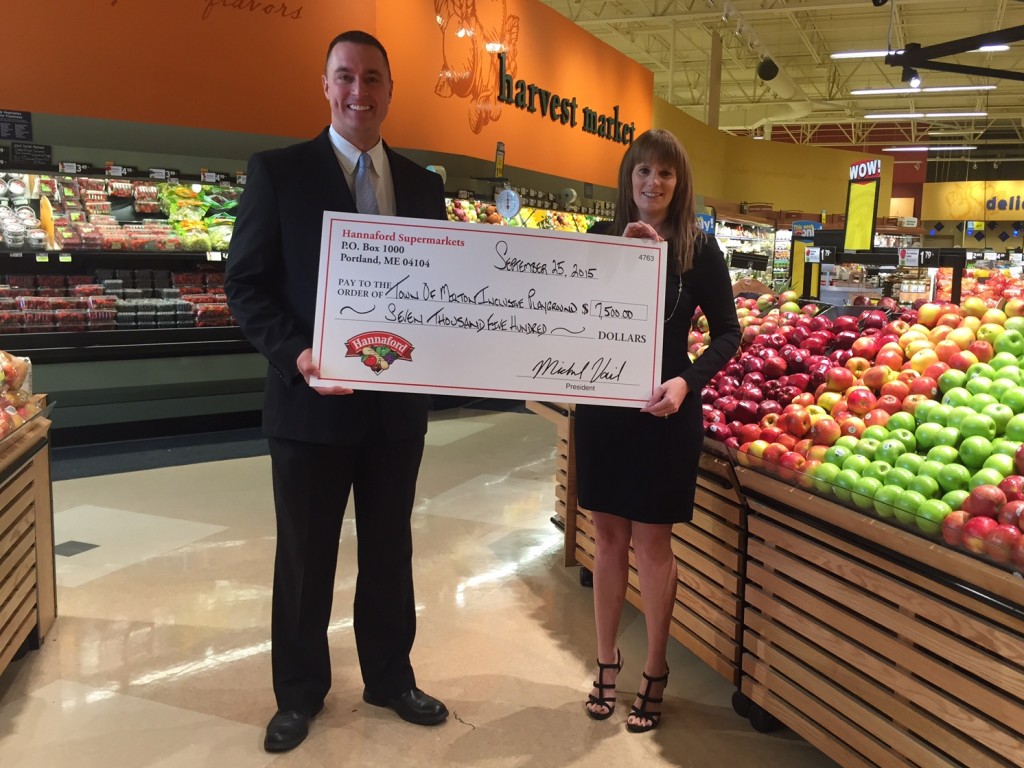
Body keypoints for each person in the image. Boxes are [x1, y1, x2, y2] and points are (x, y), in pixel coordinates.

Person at [224, 30, 449, 753]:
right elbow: (246, 286)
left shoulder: (422, 186)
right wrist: (298, 355)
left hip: (395, 411)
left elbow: (444, 291)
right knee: (305, 556)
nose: (360, 92)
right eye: (345, 77)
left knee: (390, 552)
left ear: (390, 90)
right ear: (325, 87)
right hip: (308, 408)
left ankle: (389, 675)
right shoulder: (279, 173)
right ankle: (298, 693)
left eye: (373, 78)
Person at [575, 129, 740, 732]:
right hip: (603, 412)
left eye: (665, 173)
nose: (653, 183)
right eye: (643, 171)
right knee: (607, 539)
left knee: (652, 545)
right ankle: (605, 663)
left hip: (662, 413)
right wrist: (618, 258)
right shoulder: (600, 240)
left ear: (679, 181)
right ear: (629, 178)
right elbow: (571, 313)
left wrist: (686, 383)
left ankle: (654, 670)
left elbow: (728, 332)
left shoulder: (699, 250)